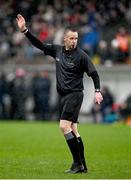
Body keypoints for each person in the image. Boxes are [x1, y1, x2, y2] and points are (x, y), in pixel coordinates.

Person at [16, 14, 103, 174]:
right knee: (74, 130)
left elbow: (94, 74)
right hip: (64, 96)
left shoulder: (82, 55)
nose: (74, 41)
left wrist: (97, 91)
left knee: (63, 126)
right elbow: (40, 45)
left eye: (76, 38)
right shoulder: (57, 51)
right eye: (71, 38)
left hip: (75, 95)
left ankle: (77, 164)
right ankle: (82, 166)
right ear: (64, 39)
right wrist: (25, 31)